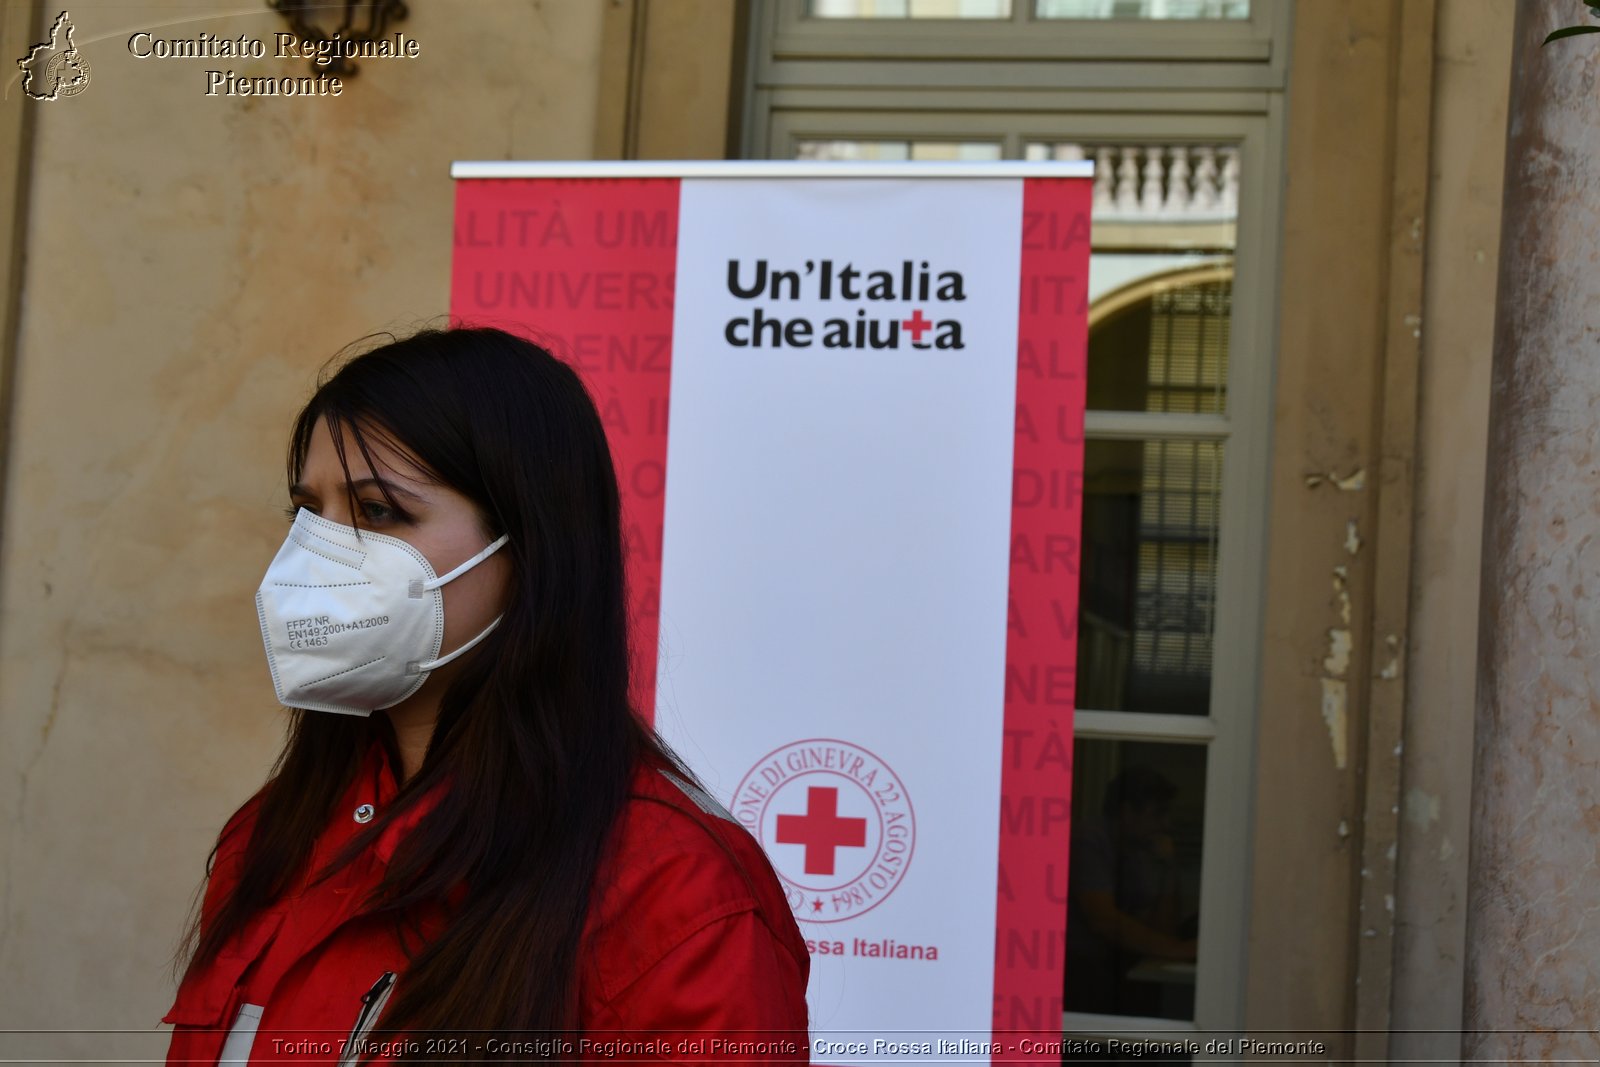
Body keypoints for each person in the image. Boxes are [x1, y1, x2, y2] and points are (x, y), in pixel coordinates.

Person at [162, 325, 811, 1065]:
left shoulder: (669, 893)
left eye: (378, 511)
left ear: (526, 545)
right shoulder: (277, 836)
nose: (319, 556)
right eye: (308, 513)